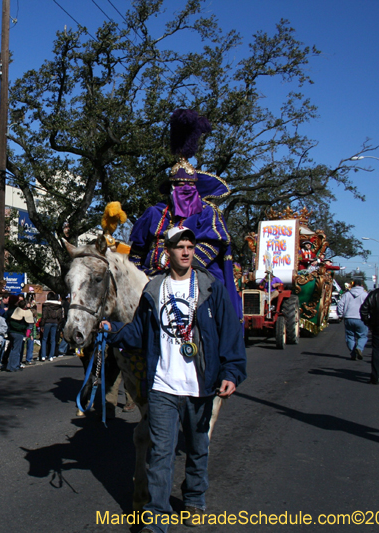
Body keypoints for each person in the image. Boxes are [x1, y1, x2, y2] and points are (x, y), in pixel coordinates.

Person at [101, 226, 246, 532]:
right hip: (163, 386)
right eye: (179, 246)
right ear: (167, 251)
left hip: (200, 385)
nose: (185, 251)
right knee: (160, 452)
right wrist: (112, 331)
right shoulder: (154, 289)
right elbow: (139, 331)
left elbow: (229, 332)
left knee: (197, 447)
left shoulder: (210, 287)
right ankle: (156, 517)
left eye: (190, 246)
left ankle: (194, 499)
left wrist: (231, 370)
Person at [128, 109, 242, 321]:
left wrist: (176, 264)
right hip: (151, 276)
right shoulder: (154, 213)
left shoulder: (208, 212)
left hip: (197, 275)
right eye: (179, 185)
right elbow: (136, 252)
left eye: (189, 186)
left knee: (212, 299)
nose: (184, 189)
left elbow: (212, 245)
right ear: (171, 188)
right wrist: (137, 276)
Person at [337, 281, 369, 360]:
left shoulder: (347, 294)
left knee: (350, 336)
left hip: (349, 317)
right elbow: (370, 306)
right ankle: (359, 348)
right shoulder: (365, 295)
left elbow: (340, 304)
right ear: (362, 285)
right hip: (361, 318)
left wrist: (340, 315)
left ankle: (353, 352)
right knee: (363, 336)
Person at [6, 297, 28, 372]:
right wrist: (23, 327)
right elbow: (15, 322)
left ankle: (10, 365)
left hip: (11, 331)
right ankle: (14, 366)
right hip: (17, 332)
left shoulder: (9, 310)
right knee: (17, 350)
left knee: (13, 349)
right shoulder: (16, 311)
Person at [41, 292, 63, 361]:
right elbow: (60, 316)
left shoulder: (46, 305)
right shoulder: (58, 306)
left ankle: (43, 355)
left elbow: (44, 316)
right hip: (55, 322)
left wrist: (42, 325)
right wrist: (58, 322)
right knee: (53, 340)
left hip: (47, 322)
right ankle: (51, 356)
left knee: (44, 339)